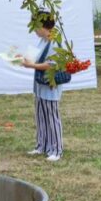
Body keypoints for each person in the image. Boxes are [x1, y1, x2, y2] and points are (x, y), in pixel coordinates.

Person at [19, 14, 63, 162]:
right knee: (41, 116)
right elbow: (36, 58)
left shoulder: (55, 42)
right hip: (40, 85)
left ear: (44, 26)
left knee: (51, 116)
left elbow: (52, 64)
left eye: (36, 27)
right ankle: (42, 145)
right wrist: (23, 59)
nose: (34, 30)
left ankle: (56, 149)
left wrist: (31, 65)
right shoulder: (43, 41)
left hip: (49, 84)